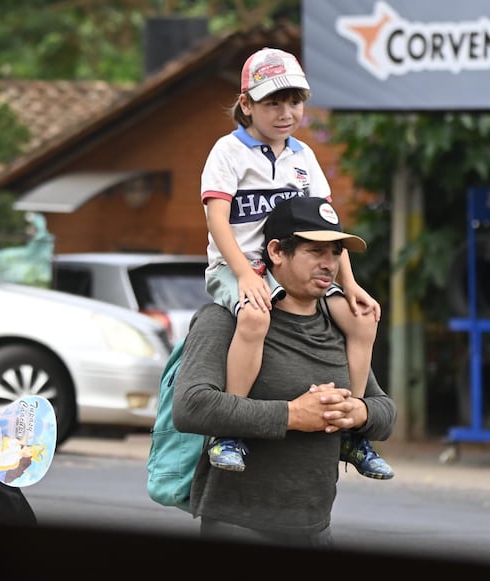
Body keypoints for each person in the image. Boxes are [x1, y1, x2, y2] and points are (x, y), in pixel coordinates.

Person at [200, 46, 392, 479]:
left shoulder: (304, 157)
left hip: (297, 270)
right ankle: (229, 430)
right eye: (273, 102)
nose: (286, 112)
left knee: (363, 319)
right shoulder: (227, 152)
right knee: (254, 318)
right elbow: (217, 219)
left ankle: (350, 430)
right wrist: (245, 274)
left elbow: (327, 233)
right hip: (240, 268)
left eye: (295, 101)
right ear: (246, 104)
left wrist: (352, 285)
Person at [172, 195, 397, 547]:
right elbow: (191, 406)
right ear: (277, 252)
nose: (329, 264)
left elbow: (384, 410)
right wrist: (292, 414)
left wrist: (358, 411)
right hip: (239, 526)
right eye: (315, 252)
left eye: (336, 253)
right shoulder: (228, 318)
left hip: (316, 529)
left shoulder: (340, 326)